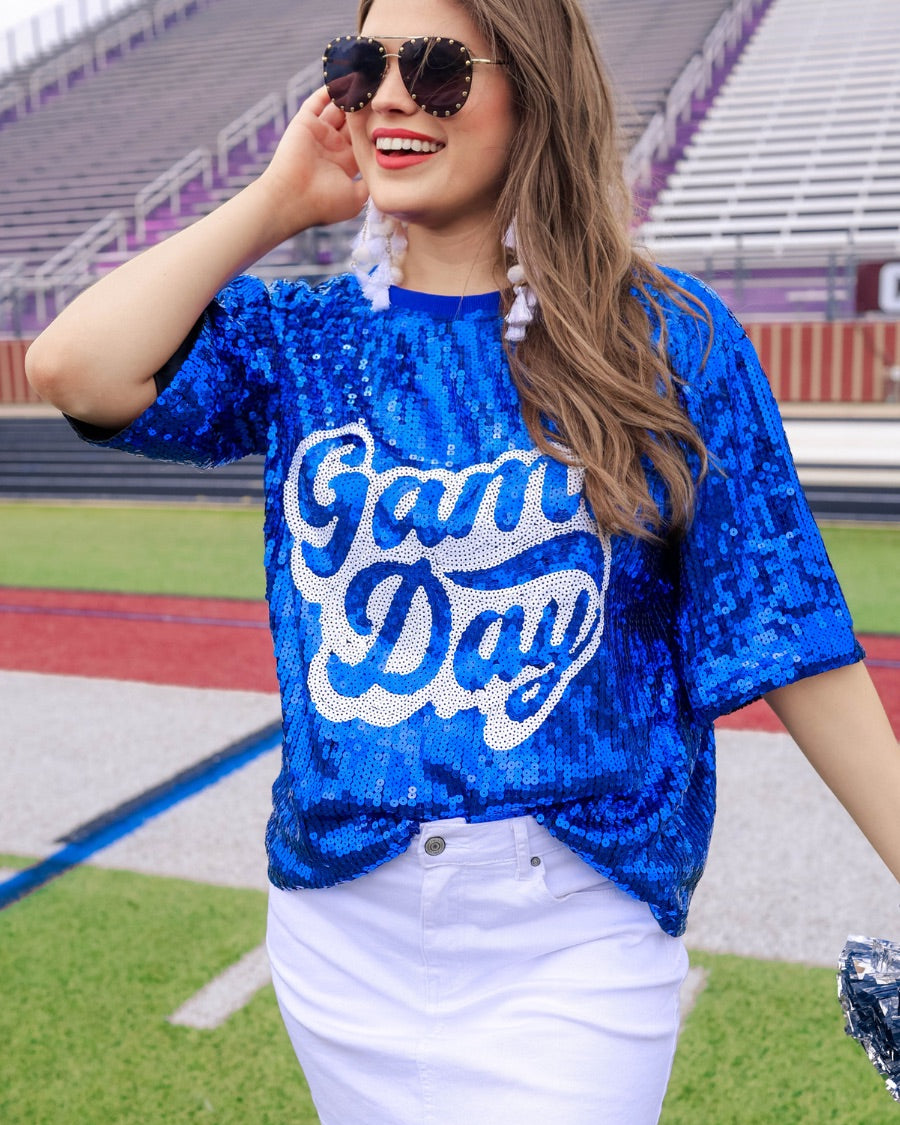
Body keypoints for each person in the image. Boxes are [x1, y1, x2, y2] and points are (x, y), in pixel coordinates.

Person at [25, 0, 900, 1121]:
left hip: (573, 930)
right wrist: (279, 201)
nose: (389, 95)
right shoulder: (309, 338)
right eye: (360, 66)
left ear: (532, 89)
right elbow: (76, 370)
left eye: (435, 68)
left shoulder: (667, 337)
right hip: (339, 927)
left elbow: (790, 633)